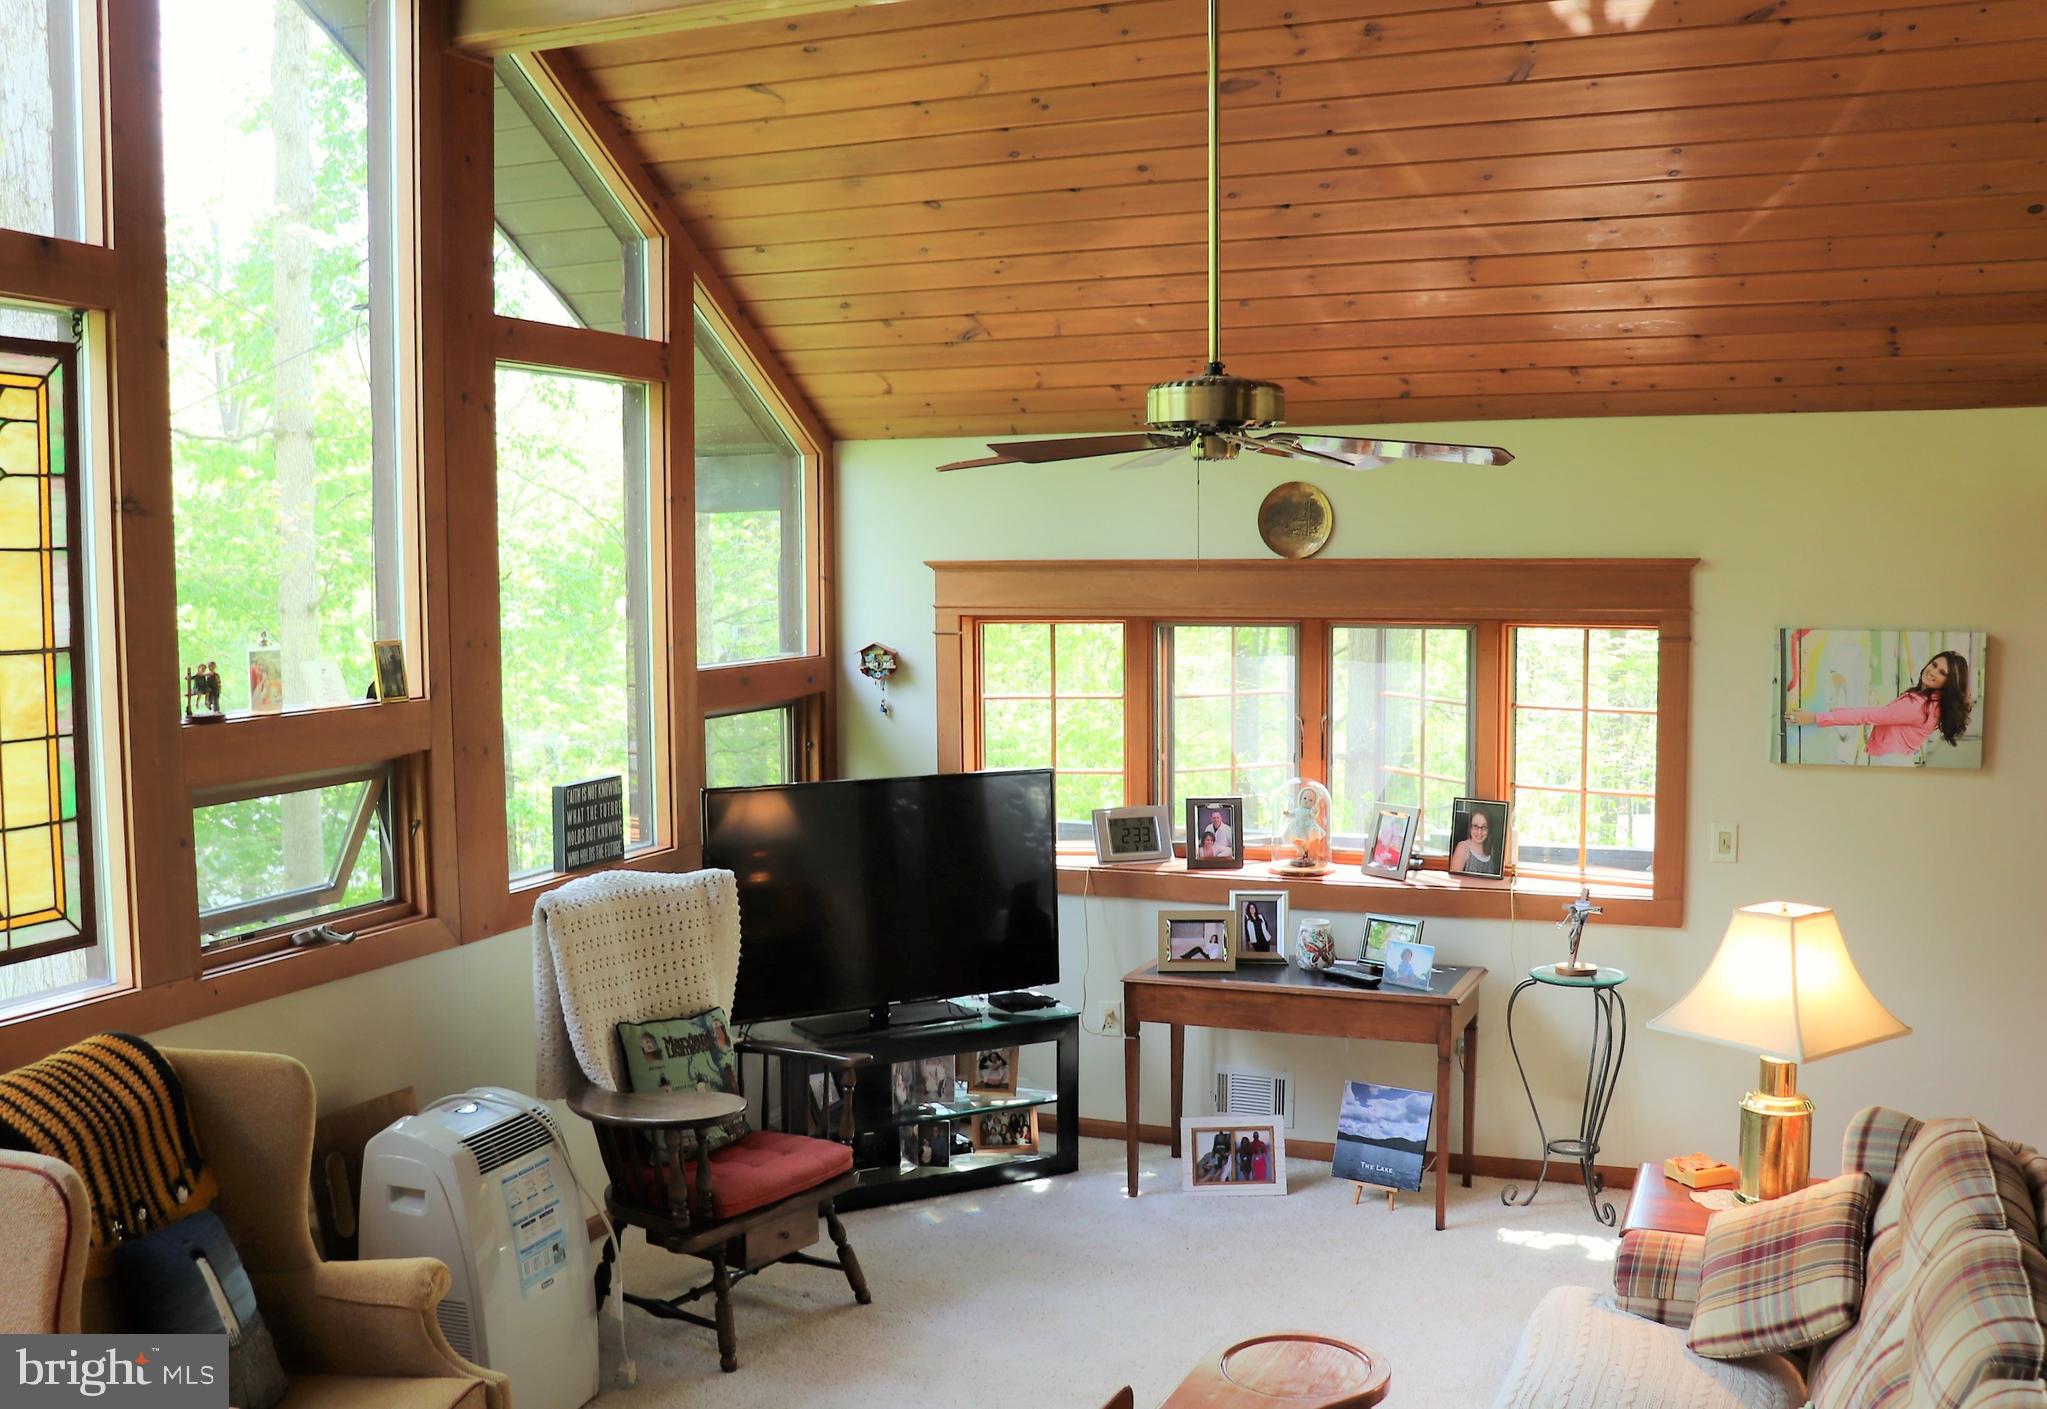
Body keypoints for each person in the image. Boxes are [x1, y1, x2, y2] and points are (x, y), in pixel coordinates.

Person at [1786, 649, 1972, 764]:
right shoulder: (1934, 705)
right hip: (1898, 762)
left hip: (1891, 761)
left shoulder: (1918, 706)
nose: (1932, 672)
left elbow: (1868, 715)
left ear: (1949, 682)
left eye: (1942, 673)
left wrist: (1815, 718)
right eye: (1934, 664)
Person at [1449, 808, 1498, 876]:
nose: (1479, 832)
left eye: (1484, 827)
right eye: (1475, 826)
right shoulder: (1463, 847)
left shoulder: (1491, 849)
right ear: (1470, 827)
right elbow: (1454, 881)